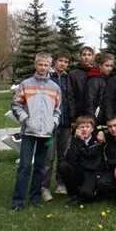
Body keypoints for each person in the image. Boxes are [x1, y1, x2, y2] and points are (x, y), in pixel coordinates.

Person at [10, 52, 61, 212]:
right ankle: (18, 201)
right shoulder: (26, 84)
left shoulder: (55, 88)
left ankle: (35, 197)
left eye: (46, 65)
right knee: (25, 166)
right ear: (35, 65)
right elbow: (16, 105)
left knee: (40, 166)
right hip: (29, 133)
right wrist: (26, 119)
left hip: (47, 134)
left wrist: (53, 123)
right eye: (40, 64)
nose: (43, 67)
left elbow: (58, 110)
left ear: (49, 67)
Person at [60, 115, 114, 203]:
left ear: (92, 129)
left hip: (94, 172)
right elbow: (70, 159)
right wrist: (79, 141)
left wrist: (101, 132)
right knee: (63, 166)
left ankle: (95, 193)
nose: (85, 129)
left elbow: (113, 129)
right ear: (77, 129)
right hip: (81, 171)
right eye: (82, 127)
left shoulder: (99, 139)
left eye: (87, 127)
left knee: (87, 195)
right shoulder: (74, 140)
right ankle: (74, 195)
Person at [42, 50, 72, 201]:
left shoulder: (68, 78)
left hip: (66, 125)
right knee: (48, 157)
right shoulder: (48, 77)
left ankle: (61, 184)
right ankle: (44, 187)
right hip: (50, 126)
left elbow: (71, 99)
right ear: (55, 62)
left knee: (63, 156)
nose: (63, 64)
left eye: (66, 62)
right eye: (61, 61)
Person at [85, 53, 114, 127]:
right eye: (107, 65)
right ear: (100, 66)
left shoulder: (108, 79)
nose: (109, 68)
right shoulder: (94, 80)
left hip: (106, 117)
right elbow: (90, 101)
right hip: (97, 118)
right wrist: (92, 120)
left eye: (111, 66)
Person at [68, 46, 95, 121]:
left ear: (93, 57)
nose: (86, 57)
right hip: (78, 114)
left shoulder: (97, 73)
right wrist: (72, 115)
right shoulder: (73, 74)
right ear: (80, 57)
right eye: (84, 55)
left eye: (89, 55)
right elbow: (70, 96)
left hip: (94, 113)